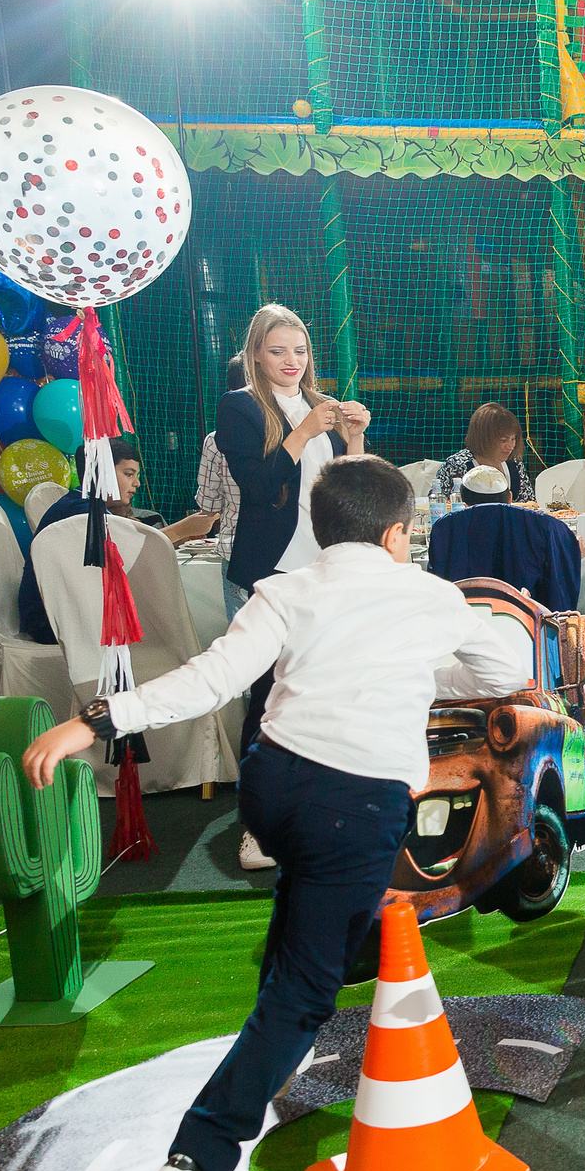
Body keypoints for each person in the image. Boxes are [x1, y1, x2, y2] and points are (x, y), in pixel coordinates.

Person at [17, 457, 531, 1171]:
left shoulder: (287, 588)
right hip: (353, 805)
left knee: (303, 929)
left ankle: (265, 1068)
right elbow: (510, 668)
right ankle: (198, 1160)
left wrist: (95, 719)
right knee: (307, 988)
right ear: (399, 534)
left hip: (273, 787)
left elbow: (211, 679)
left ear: (322, 528)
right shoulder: (431, 594)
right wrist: (432, 660)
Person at [217, 303, 371, 871]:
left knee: (327, 692)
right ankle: (256, 829)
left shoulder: (320, 407)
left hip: (327, 571)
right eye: (278, 350)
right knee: (267, 699)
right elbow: (257, 489)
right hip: (269, 575)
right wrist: (304, 431)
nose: (291, 361)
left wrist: (352, 439)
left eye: (300, 351)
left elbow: (349, 491)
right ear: (256, 353)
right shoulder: (239, 408)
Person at [16, 438, 221, 645]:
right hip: (51, 623)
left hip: (68, 614)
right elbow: (125, 554)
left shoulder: (85, 504)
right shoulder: (78, 512)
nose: (137, 484)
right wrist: (183, 528)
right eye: (129, 474)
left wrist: (183, 535)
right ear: (99, 473)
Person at [432, 402, 538, 504]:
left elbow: (530, 503)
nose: (510, 446)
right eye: (503, 440)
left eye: (513, 439)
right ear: (484, 439)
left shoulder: (514, 464)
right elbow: (437, 504)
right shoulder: (456, 466)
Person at [194, 354, 246, 541]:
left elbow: (208, 506)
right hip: (295, 550)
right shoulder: (299, 432)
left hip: (236, 545)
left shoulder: (216, 440)